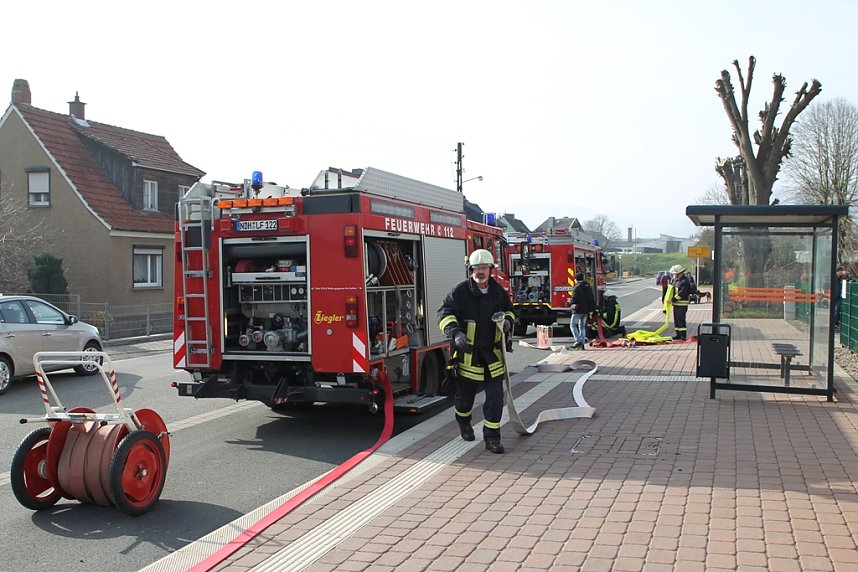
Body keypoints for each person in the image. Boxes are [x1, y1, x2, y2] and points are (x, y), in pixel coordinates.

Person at [438, 249, 516, 454]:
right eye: (476, 268)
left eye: (483, 268)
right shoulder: (459, 292)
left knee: (495, 399)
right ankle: (464, 422)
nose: (480, 271)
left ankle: (492, 438)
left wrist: (508, 321)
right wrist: (455, 333)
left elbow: (510, 310)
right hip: (468, 356)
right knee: (465, 401)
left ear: (490, 269)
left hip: (492, 356)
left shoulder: (498, 292)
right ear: (470, 269)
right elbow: (444, 314)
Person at [569, 272, 595, 349]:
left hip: (578, 310)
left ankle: (578, 341)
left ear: (576, 279)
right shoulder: (588, 286)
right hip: (586, 310)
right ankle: (582, 343)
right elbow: (591, 299)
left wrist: (570, 301)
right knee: (582, 326)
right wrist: (591, 309)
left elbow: (574, 299)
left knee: (573, 325)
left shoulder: (577, 287)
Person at [666, 264, 692, 340]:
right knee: (676, 320)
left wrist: (672, 300)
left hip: (682, 304)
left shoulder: (684, 281)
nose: (674, 275)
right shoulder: (676, 280)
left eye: (675, 274)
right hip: (676, 304)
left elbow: (681, 293)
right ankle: (678, 334)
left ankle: (683, 336)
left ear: (679, 273)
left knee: (681, 320)